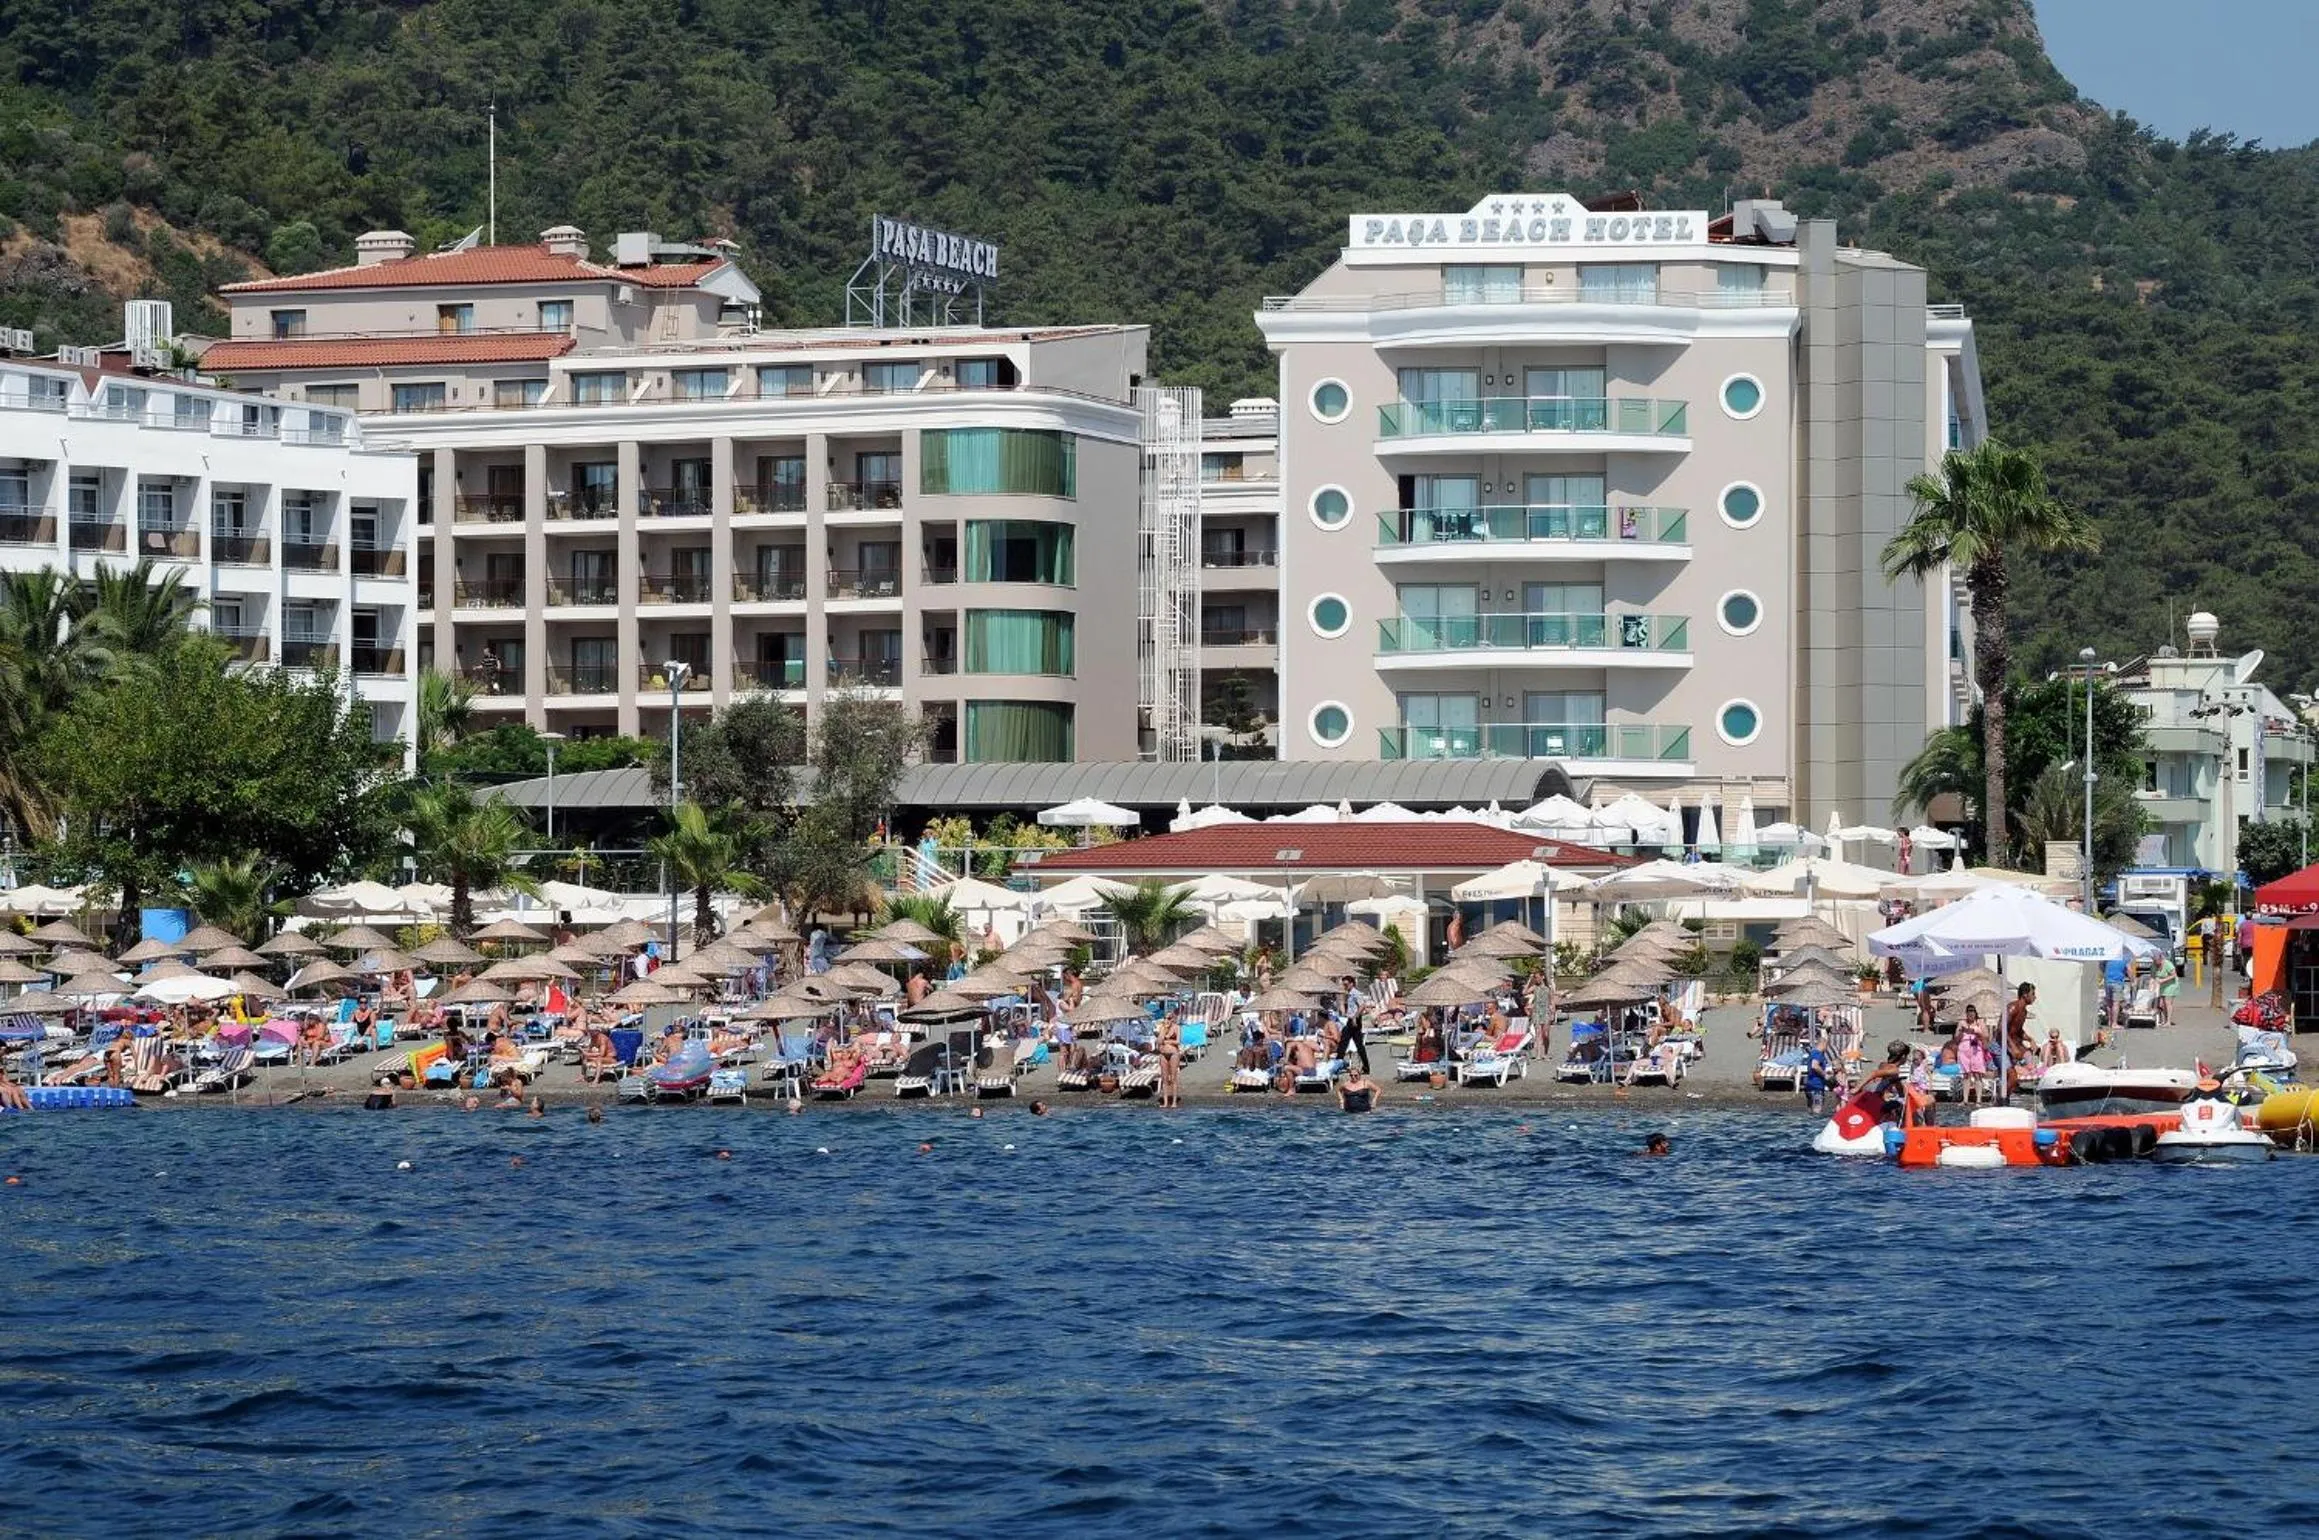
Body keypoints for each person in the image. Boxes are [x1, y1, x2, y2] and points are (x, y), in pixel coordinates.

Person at [1335, 974, 1372, 1074]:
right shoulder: (1350, 994)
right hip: (1351, 1020)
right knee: (1347, 1043)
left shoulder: (1356, 993)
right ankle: (1365, 1066)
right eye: (1344, 985)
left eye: (1346, 984)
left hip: (1354, 1020)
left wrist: (1355, 1017)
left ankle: (1338, 1065)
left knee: (1348, 1043)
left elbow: (1362, 1006)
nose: (1345, 986)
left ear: (1352, 984)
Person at [1155, 1013, 1183, 1110]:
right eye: (1165, 1018)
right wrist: (1163, 1030)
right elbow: (1158, 1042)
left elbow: (1178, 1041)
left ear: (1173, 1019)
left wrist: (1167, 1042)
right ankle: (1166, 1102)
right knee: (1165, 1078)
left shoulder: (1177, 1028)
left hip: (1173, 1053)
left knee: (1173, 1078)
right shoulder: (1162, 1028)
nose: (1167, 1020)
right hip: (1163, 1054)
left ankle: (1174, 1102)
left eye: (1169, 1018)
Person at [1802, 1034, 1833, 1115]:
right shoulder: (1818, 1054)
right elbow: (1814, 1066)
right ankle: (1815, 1127)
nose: (1826, 1048)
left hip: (1809, 1085)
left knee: (1810, 1109)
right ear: (1823, 1044)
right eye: (1826, 1045)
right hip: (1816, 1086)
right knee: (1817, 1110)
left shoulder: (1812, 1053)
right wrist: (1824, 1075)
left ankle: (1808, 1126)